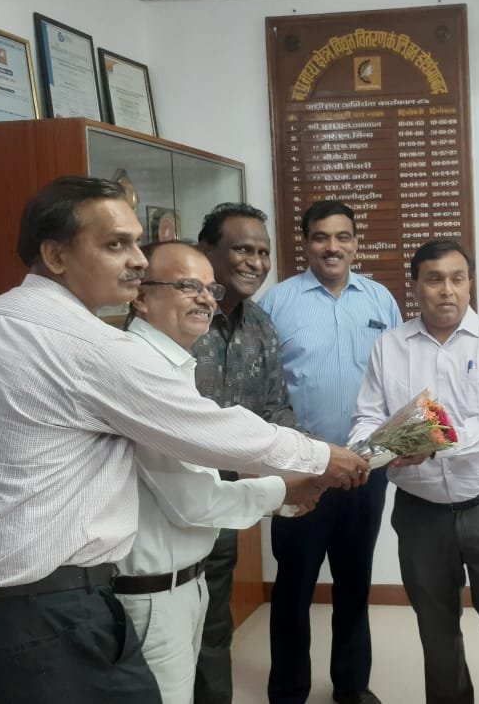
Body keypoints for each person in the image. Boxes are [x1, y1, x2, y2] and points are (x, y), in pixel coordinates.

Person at [0, 176, 370, 703]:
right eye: (115, 244)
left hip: (39, 599)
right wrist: (320, 459)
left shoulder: (5, 318)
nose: (138, 261)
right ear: (55, 254)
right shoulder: (91, 346)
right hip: (53, 603)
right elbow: (208, 433)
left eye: (208, 290)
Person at [117, 240, 325, 704]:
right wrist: (291, 483)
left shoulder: (174, 364)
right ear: (141, 295)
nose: (207, 298)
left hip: (185, 581)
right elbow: (197, 501)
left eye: (208, 287)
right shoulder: (141, 368)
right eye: (187, 285)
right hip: (150, 595)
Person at [349, 239, 479, 704]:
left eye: (457, 278)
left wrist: (433, 446)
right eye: (434, 280)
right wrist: (370, 449)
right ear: (416, 288)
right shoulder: (389, 346)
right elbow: (368, 417)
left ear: (470, 284)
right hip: (420, 513)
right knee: (437, 633)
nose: (446, 291)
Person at [258, 200, 402, 704]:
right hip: (302, 471)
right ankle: (290, 690)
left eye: (343, 236)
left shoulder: (381, 300)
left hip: (366, 469)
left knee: (354, 582)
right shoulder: (277, 303)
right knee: (293, 586)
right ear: (305, 244)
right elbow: (268, 389)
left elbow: (396, 380)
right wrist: (302, 456)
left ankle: (351, 686)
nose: (333, 246)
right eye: (321, 237)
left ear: (357, 242)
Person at [192, 202, 302, 704]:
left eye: (262, 252)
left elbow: (277, 409)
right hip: (170, 498)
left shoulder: (260, 324)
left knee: (215, 623)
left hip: (228, 496)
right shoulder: (181, 317)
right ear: (206, 251)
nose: (254, 262)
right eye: (241, 249)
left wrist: (310, 469)